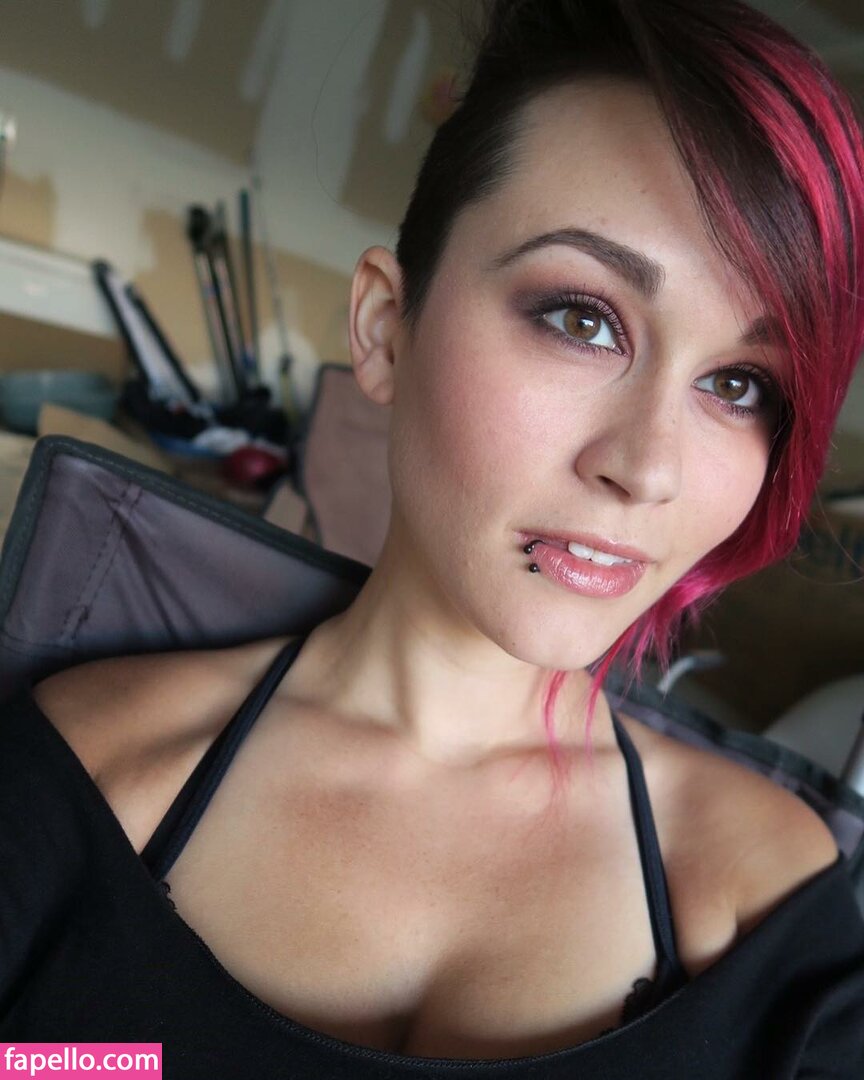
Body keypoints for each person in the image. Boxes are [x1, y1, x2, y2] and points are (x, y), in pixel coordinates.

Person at [2, 0, 863, 1076]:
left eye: (738, 385)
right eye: (583, 318)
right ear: (383, 330)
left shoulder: (764, 893)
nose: (648, 469)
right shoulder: (92, 768)